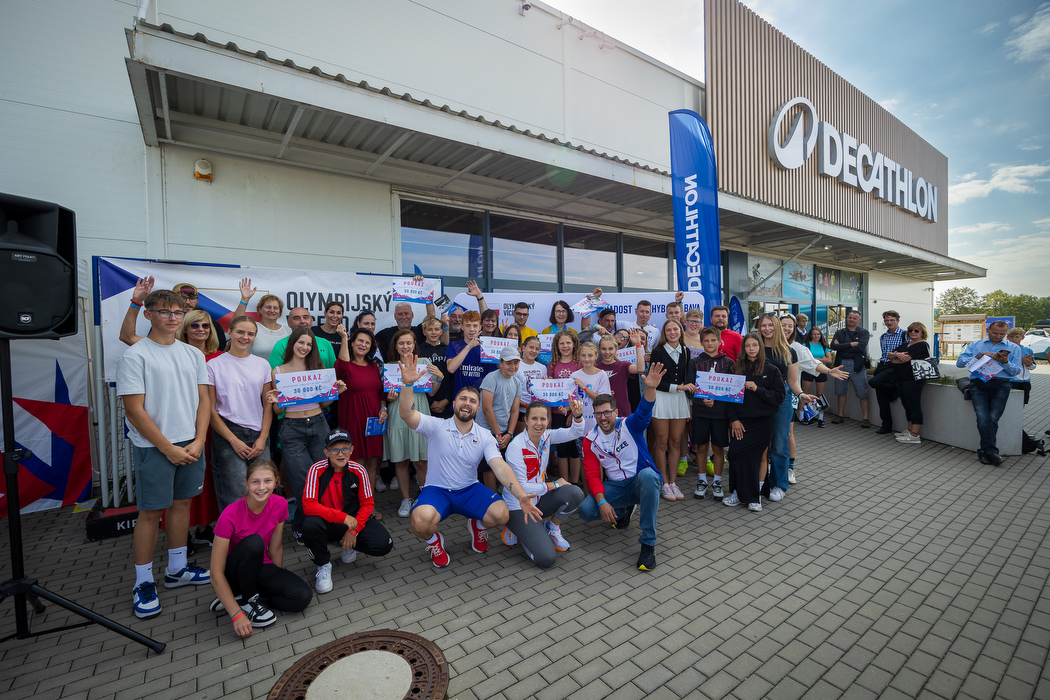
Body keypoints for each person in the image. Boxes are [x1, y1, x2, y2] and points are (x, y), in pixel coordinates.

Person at [116, 289, 212, 619]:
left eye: (177, 312)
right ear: (148, 314)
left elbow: (204, 401)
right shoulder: (135, 355)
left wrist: (199, 439)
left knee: (182, 504)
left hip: (191, 444)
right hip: (155, 447)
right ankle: (143, 581)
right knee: (150, 512)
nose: (173, 318)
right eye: (164, 312)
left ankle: (177, 568)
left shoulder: (193, 354)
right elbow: (134, 411)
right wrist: (167, 448)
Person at [397, 359, 543, 568]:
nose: (467, 403)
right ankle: (434, 542)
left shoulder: (485, 435)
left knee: (502, 514)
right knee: (420, 521)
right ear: (454, 404)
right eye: (463, 399)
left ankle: (477, 527)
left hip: (468, 489)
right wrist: (408, 384)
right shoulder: (436, 426)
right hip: (437, 490)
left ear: (478, 408)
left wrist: (521, 496)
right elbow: (406, 414)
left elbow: (499, 466)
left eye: (473, 401)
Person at [578, 363, 667, 570]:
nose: (603, 418)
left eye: (607, 412)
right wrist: (602, 502)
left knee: (648, 476)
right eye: (598, 414)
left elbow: (644, 411)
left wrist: (651, 388)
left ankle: (648, 543)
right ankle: (623, 509)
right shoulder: (590, 440)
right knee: (586, 510)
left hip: (641, 482)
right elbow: (592, 475)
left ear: (615, 411)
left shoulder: (629, 424)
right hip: (617, 486)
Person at [207, 460, 312, 636]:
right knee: (254, 542)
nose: (261, 487)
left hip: (259, 567)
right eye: (255, 482)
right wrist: (236, 615)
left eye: (267, 481)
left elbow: (275, 547)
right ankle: (244, 601)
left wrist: (279, 580)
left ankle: (245, 598)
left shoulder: (280, 503)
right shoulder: (229, 515)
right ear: (246, 483)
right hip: (234, 572)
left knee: (302, 596)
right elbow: (215, 573)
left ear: (276, 482)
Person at [268, 327, 345, 539]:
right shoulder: (278, 371)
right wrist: (276, 402)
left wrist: (335, 393)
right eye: (301, 342)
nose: (304, 347)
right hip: (292, 428)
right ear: (292, 343)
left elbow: (323, 403)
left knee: (326, 477)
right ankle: (307, 527)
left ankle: (322, 524)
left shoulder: (317, 370)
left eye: (309, 344)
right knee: (302, 481)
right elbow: (278, 411)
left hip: (319, 424)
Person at [300, 429, 394, 593]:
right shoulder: (316, 469)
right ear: (326, 452)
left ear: (351, 450)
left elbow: (368, 504)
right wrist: (342, 517)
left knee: (384, 544)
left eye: (345, 448)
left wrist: (353, 531)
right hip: (329, 522)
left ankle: (349, 545)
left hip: (352, 522)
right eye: (335, 450)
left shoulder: (359, 470)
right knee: (309, 525)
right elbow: (308, 504)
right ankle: (323, 564)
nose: (340, 454)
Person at [501, 398, 586, 567]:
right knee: (546, 559)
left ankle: (551, 527)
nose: (539, 423)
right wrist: (554, 484)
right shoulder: (516, 446)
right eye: (534, 418)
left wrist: (577, 416)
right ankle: (513, 526)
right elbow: (522, 487)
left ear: (548, 421)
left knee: (575, 493)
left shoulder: (547, 436)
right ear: (526, 420)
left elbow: (574, 433)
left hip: (538, 499)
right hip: (519, 505)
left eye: (543, 419)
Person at [207, 316, 274, 512]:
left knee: (263, 491)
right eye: (240, 332)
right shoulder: (213, 365)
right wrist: (233, 440)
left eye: (250, 334)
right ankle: (235, 532)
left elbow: (267, 404)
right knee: (235, 492)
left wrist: (263, 438)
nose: (245, 337)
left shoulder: (262, 364)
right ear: (229, 332)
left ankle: (262, 531)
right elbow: (210, 409)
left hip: (258, 433)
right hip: (228, 433)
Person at [723, 334, 786, 512]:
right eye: (748, 345)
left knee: (760, 457)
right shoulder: (735, 369)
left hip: (763, 421)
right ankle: (737, 492)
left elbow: (779, 397)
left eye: (755, 345)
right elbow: (729, 399)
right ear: (743, 348)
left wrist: (758, 389)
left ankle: (755, 495)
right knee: (735, 455)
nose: (751, 348)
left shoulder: (771, 369)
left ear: (760, 347)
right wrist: (734, 419)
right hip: (741, 421)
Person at [781, 315, 846, 484]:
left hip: (789, 396)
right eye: (783, 325)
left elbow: (812, 363)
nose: (786, 329)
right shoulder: (767, 346)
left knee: (788, 433)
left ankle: (790, 468)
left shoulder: (796, 347)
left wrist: (829, 371)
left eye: (790, 326)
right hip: (767, 398)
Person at [385, 329, 442, 516]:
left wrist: (439, 377)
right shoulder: (390, 366)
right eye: (401, 343)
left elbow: (432, 392)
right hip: (397, 415)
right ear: (395, 346)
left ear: (414, 344)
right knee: (401, 462)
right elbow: (385, 395)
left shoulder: (424, 362)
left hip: (420, 413)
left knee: (421, 463)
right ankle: (406, 499)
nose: (405, 346)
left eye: (408, 342)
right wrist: (389, 398)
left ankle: (425, 498)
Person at [757, 315, 813, 502]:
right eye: (763, 325)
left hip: (782, 398)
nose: (767, 329)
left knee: (780, 443)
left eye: (770, 325)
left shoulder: (789, 351)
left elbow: (792, 381)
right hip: (756, 397)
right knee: (758, 443)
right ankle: (756, 482)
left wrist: (801, 394)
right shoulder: (754, 347)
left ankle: (779, 484)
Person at [957, 320, 1023, 466]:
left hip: (1001, 384)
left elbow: (1016, 371)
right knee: (982, 416)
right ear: (988, 330)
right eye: (995, 333)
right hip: (978, 383)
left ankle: (985, 451)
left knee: (993, 418)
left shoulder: (1013, 348)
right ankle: (991, 451)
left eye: (1002, 334)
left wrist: (1005, 362)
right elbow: (960, 363)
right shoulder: (976, 345)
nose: (998, 336)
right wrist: (978, 357)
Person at [334, 326, 387, 491]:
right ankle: (355, 501)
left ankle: (369, 502)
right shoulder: (343, 364)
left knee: (373, 462)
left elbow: (381, 391)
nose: (363, 344)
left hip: (374, 421)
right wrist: (344, 338)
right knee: (357, 462)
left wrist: (383, 408)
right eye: (360, 341)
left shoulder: (373, 365)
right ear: (352, 343)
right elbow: (343, 367)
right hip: (353, 418)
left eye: (367, 342)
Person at [649, 320, 695, 501]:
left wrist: (689, 400)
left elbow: (688, 378)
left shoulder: (686, 351)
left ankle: (673, 483)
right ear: (664, 333)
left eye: (675, 329)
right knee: (662, 442)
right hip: (661, 399)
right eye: (668, 330)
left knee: (676, 441)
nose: (672, 332)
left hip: (680, 400)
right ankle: (664, 483)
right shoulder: (658, 351)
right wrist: (679, 387)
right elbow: (655, 381)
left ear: (680, 331)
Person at [690, 327, 734, 500]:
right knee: (701, 447)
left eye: (713, 340)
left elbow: (733, 390)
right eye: (706, 341)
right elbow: (689, 388)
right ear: (701, 342)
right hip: (701, 412)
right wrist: (702, 401)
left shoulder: (729, 363)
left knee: (718, 448)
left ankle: (717, 482)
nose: (710, 343)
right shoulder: (694, 362)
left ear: (719, 342)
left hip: (721, 414)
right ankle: (701, 480)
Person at [476, 346, 524, 491]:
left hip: (503, 432)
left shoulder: (516, 382)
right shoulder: (491, 378)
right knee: (489, 468)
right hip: (486, 431)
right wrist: (498, 434)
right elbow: (486, 408)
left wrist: (509, 433)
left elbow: (515, 410)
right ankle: (493, 498)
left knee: (502, 466)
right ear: (501, 363)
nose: (513, 366)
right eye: (509, 363)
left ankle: (501, 496)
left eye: (516, 362)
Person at [547, 330, 582, 486]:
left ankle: (574, 483)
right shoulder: (552, 364)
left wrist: (572, 412)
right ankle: (564, 484)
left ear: (574, 344)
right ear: (557, 346)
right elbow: (549, 393)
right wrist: (550, 416)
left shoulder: (580, 363)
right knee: (561, 448)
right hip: (557, 413)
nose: (565, 346)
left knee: (574, 448)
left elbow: (581, 391)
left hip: (575, 411)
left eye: (568, 342)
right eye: (562, 343)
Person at [889, 322, 931, 444]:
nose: (913, 332)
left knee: (914, 406)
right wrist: (897, 355)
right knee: (906, 405)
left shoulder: (922, 345)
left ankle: (914, 435)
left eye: (916, 331)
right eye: (911, 330)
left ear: (922, 332)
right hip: (901, 378)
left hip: (913, 379)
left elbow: (902, 360)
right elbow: (889, 355)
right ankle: (910, 430)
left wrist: (895, 358)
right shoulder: (906, 344)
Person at [830, 310, 871, 426]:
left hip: (857, 365)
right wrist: (850, 344)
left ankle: (865, 419)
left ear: (859, 320)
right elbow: (833, 346)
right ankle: (840, 416)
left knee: (862, 392)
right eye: (849, 317)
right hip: (841, 364)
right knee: (841, 391)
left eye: (854, 318)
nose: (851, 320)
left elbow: (860, 348)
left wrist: (841, 346)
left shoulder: (863, 332)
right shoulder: (840, 332)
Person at [869, 310, 907, 434]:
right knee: (881, 398)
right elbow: (884, 353)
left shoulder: (904, 335)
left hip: (895, 367)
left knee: (873, 382)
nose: (889, 322)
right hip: (883, 365)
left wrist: (895, 355)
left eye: (892, 320)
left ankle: (894, 389)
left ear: (898, 321)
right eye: (886, 320)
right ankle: (886, 425)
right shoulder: (883, 336)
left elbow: (907, 353)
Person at [269, 307, 336, 369]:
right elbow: (275, 374)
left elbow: (333, 372)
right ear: (289, 323)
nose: (302, 321)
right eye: (296, 318)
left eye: (306, 317)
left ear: (311, 321)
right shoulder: (281, 345)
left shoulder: (325, 343)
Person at [596, 331, 644, 417]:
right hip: (602, 412)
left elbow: (640, 368)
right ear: (599, 349)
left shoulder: (623, 365)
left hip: (622, 411)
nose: (607, 352)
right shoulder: (595, 368)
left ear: (616, 349)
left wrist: (638, 345)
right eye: (604, 349)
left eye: (610, 349)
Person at [173, 281, 228, 351]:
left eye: (192, 298)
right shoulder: (169, 322)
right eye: (182, 298)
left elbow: (220, 348)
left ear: (197, 300)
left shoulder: (213, 324)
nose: (188, 302)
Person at [418, 316, 452, 418]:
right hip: (426, 402)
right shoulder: (418, 351)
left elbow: (453, 377)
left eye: (436, 329)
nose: (433, 332)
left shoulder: (448, 349)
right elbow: (417, 379)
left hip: (446, 401)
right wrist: (430, 402)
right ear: (424, 332)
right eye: (430, 329)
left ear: (441, 331)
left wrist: (447, 400)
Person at [799, 327, 832, 426]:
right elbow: (804, 359)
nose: (817, 336)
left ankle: (820, 418)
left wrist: (815, 359)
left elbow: (829, 360)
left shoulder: (824, 345)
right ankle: (802, 417)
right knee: (804, 394)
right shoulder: (805, 345)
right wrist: (822, 358)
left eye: (818, 334)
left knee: (820, 395)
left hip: (821, 371)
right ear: (811, 335)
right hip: (807, 371)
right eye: (814, 334)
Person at [516, 336, 548, 428]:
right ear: (523, 347)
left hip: (539, 412)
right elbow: (511, 394)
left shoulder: (542, 368)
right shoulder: (517, 366)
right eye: (531, 347)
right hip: (522, 411)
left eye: (537, 349)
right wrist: (525, 405)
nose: (534, 351)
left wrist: (545, 383)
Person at [251, 293, 292, 362]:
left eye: (275, 308)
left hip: (281, 369)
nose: (272, 310)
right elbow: (235, 324)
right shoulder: (252, 327)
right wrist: (244, 300)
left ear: (280, 312)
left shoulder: (288, 330)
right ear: (260, 310)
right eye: (268, 307)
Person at [538, 300, 576, 366]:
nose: (561, 314)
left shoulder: (574, 332)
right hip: (550, 366)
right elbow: (543, 354)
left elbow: (576, 352)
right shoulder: (546, 331)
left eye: (563, 311)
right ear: (554, 313)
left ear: (568, 313)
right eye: (558, 311)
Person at [1006, 327, 1035, 406]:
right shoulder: (1005, 350)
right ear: (1007, 337)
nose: (1014, 339)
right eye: (1011, 337)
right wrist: (1020, 362)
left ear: (1022, 338)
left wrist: (1028, 364)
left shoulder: (1028, 350)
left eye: (1017, 337)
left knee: (1022, 404)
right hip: (1011, 381)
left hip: (1025, 381)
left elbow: (1033, 366)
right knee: (1010, 404)